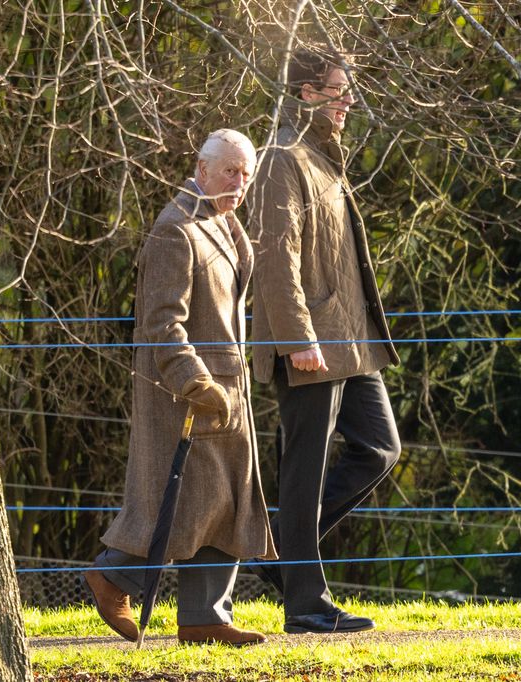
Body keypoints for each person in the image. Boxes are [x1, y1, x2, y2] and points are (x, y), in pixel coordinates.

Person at [83, 129, 276, 647]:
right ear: (202, 167)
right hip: (185, 398)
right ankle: (110, 576)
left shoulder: (223, 221)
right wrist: (194, 381)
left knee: (223, 504)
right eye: (230, 171)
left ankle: (205, 617)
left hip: (228, 395)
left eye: (246, 174)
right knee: (170, 503)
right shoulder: (176, 229)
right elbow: (161, 323)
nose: (238, 182)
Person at [246, 47, 402, 634]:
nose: (349, 102)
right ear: (308, 93)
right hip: (310, 341)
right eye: (339, 90)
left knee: (380, 449)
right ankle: (306, 606)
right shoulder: (282, 158)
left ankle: (286, 558)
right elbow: (275, 256)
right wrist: (296, 337)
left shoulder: (325, 159)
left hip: (352, 341)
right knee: (303, 471)